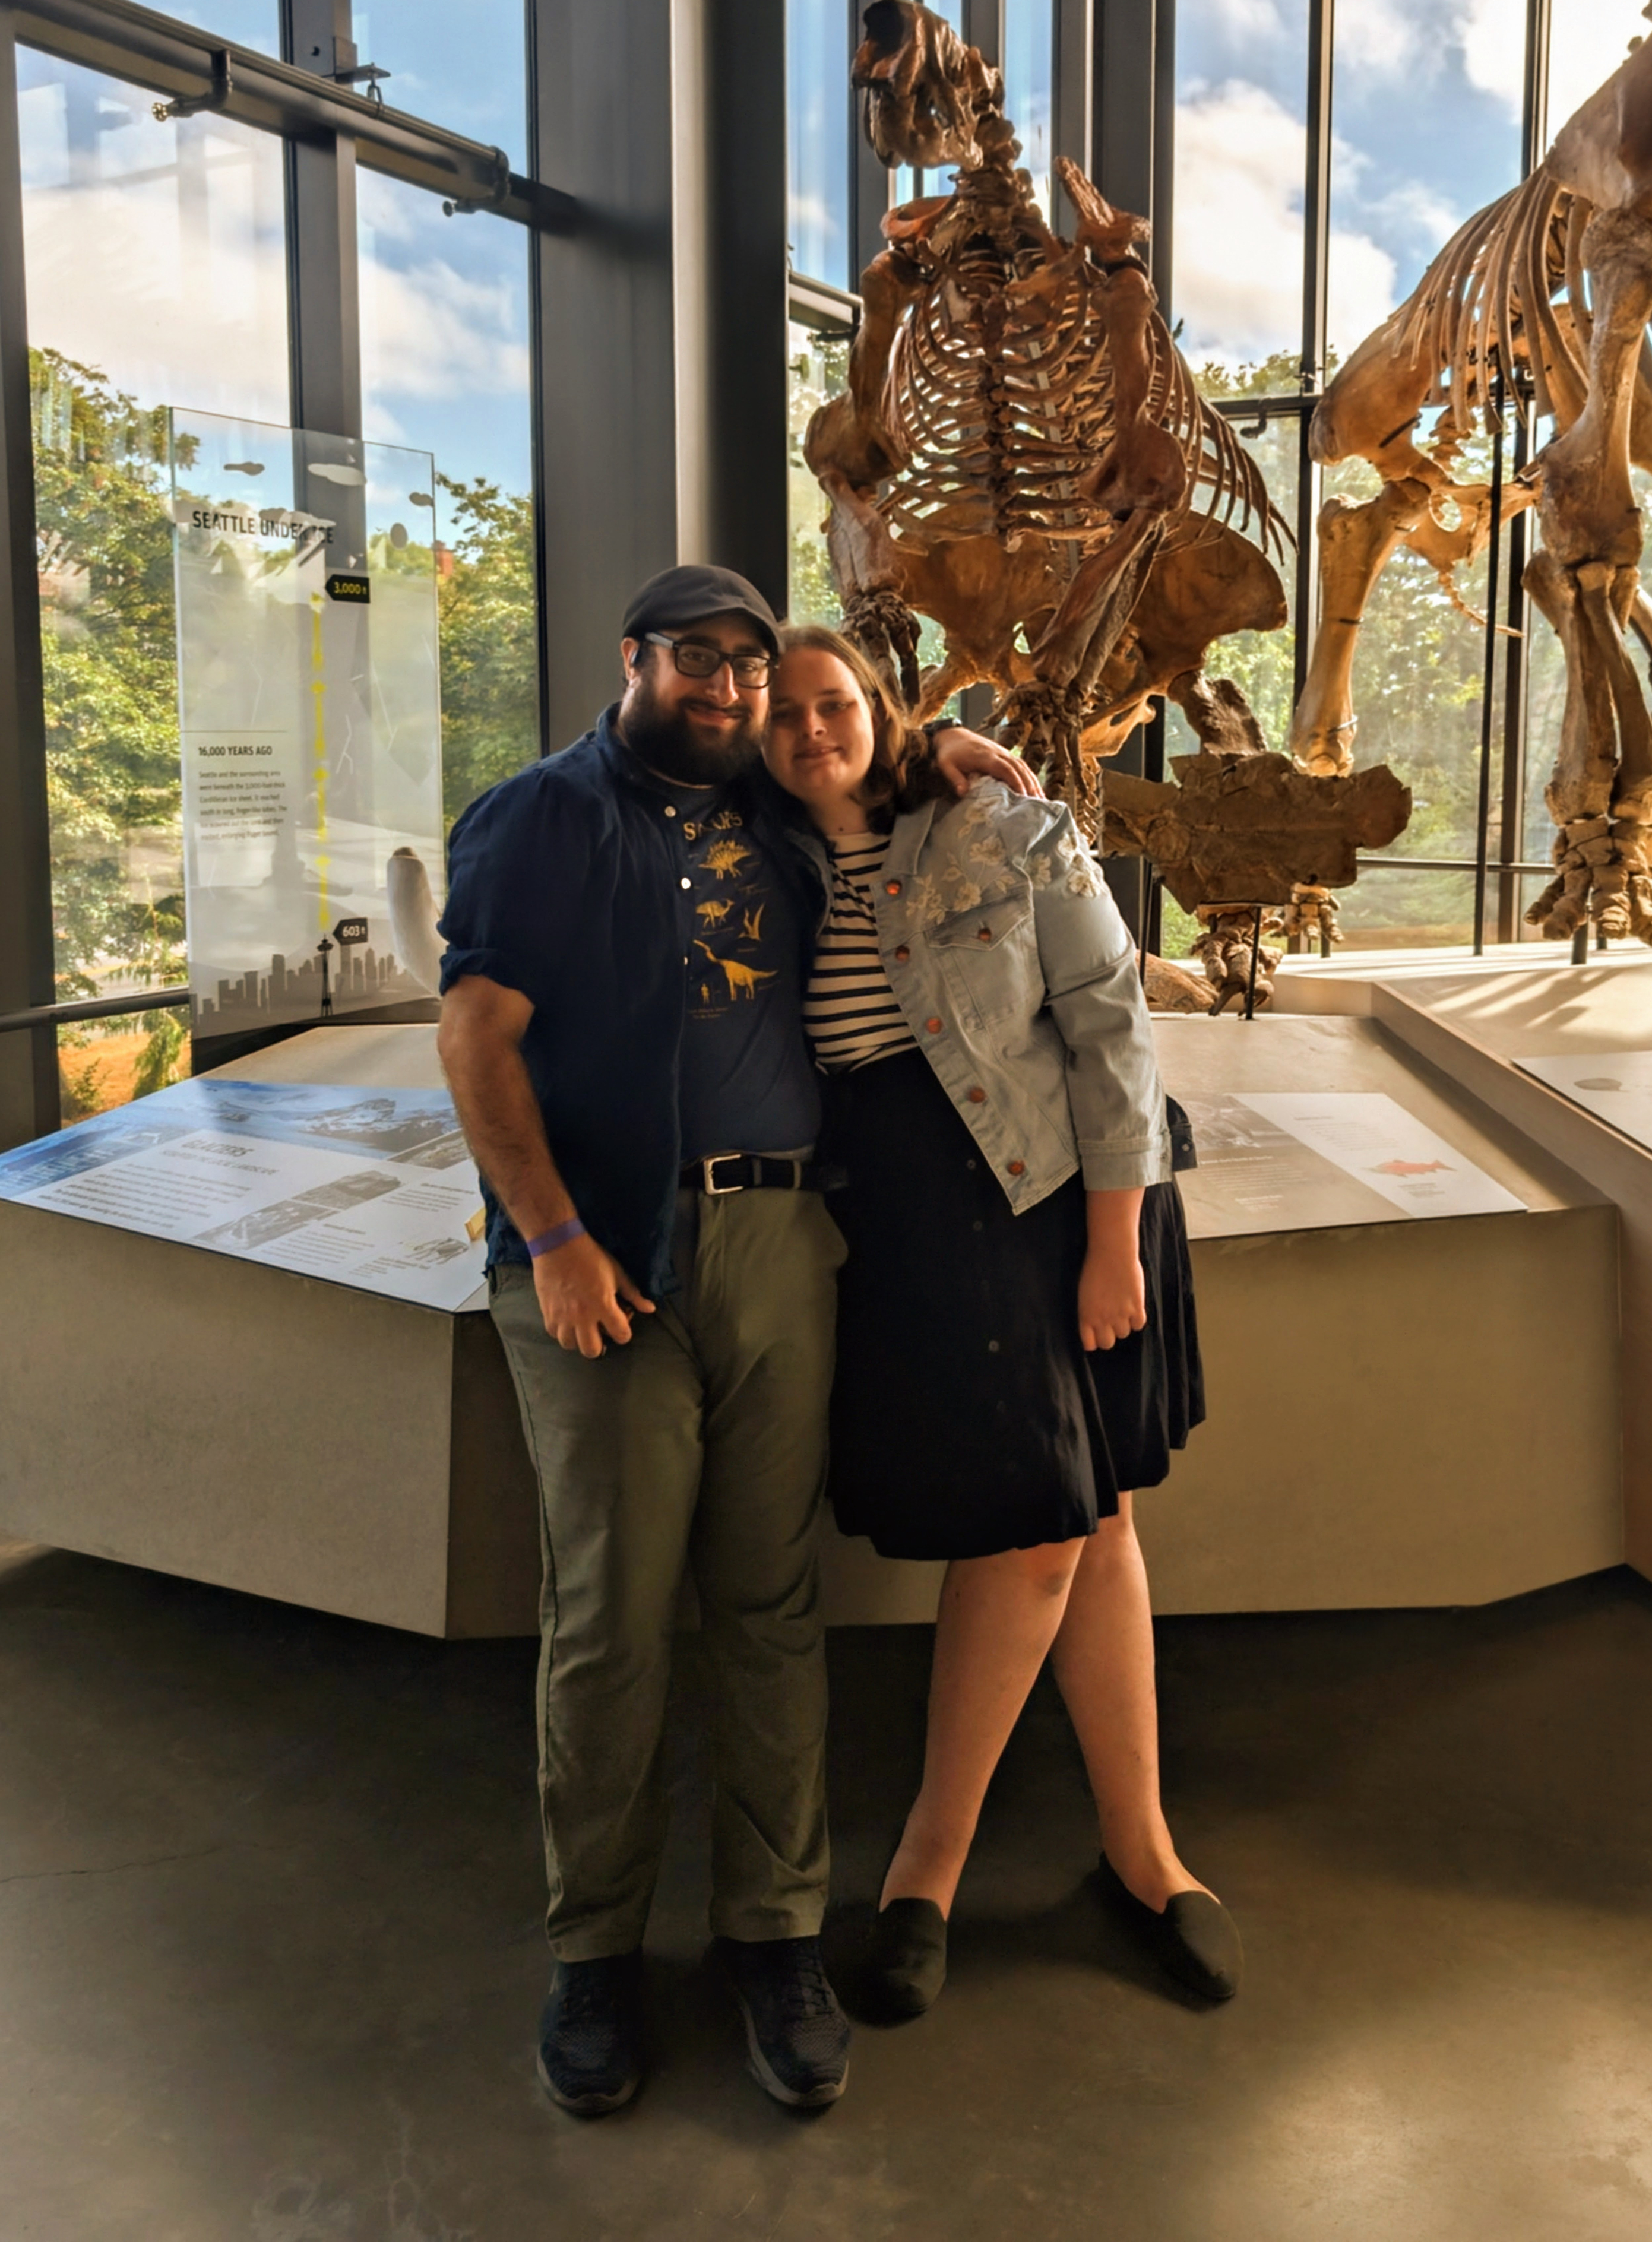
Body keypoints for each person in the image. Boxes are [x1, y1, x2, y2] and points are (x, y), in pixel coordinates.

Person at [434, 565, 1036, 2118]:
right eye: (696, 660)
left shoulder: (771, 806)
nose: (725, 689)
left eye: (746, 667)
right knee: (614, 1615)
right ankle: (596, 1951)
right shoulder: (540, 818)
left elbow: (874, 782)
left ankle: (774, 1935)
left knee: (771, 1599)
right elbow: (475, 1038)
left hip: (778, 1240)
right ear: (632, 659)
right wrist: (557, 1241)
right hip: (605, 1256)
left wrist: (955, 747)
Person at [762, 624, 1237, 2017]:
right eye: (783, 713)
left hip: (1063, 1202)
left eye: (835, 701)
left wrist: (1109, 1243)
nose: (810, 729)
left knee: (1066, 1529)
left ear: (881, 703)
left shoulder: (998, 821)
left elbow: (1111, 1024)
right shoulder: (760, 859)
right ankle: (1133, 1849)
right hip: (920, 1227)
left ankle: (947, 1857)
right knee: (1069, 1524)